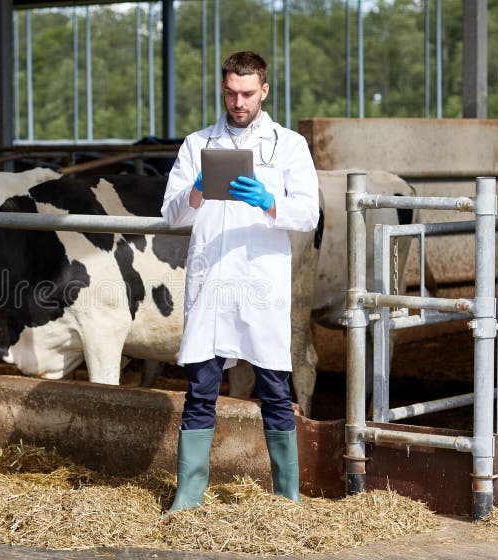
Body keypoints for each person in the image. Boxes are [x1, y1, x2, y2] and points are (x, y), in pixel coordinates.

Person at [160, 50, 319, 511]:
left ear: (264, 91)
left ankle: (286, 500)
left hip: (260, 286)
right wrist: (195, 190)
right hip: (212, 287)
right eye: (230, 92)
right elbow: (170, 215)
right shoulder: (196, 144)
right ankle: (187, 499)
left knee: (274, 389)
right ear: (222, 90)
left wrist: (270, 201)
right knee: (200, 391)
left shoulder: (288, 146)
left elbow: (308, 214)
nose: (238, 102)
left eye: (247, 93)